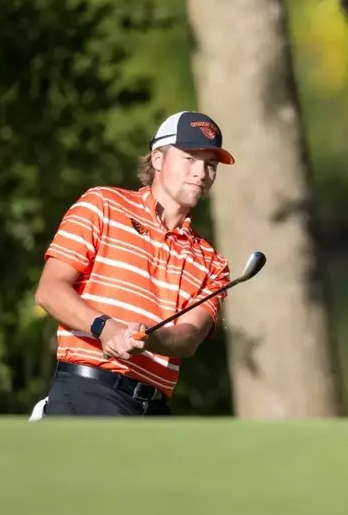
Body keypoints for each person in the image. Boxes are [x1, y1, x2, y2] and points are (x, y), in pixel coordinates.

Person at [29, 110, 235, 417]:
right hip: (89, 392)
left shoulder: (212, 262)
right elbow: (49, 290)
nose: (201, 173)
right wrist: (104, 328)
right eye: (190, 158)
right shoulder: (102, 205)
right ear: (158, 160)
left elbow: (187, 338)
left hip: (153, 408)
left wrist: (148, 337)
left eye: (210, 164)